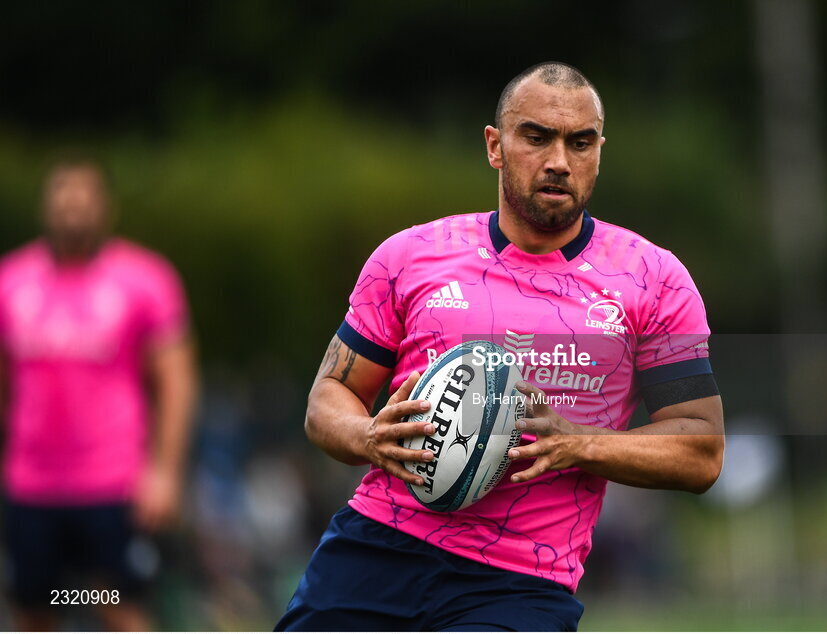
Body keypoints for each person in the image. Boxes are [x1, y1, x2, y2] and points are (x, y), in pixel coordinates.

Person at [277, 62, 724, 631]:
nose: (559, 161)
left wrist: (578, 443)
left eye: (580, 143)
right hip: (378, 545)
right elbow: (328, 399)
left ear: (599, 152)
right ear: (495, 145)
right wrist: (369, 437)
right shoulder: (409, 257)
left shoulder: (653, 279)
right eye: (537, 137)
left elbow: (701, 450)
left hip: (520, 583)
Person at [0, 158, 197, 630]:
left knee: (118, 604)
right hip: (31, 485)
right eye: (63, 196)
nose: (73, 207)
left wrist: (165, 471)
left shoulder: (145, 280)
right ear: (46, 206)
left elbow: (176, 381)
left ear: (105, 207)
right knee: (33, 609)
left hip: (112, 485)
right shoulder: (11, 281)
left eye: (83, 197)